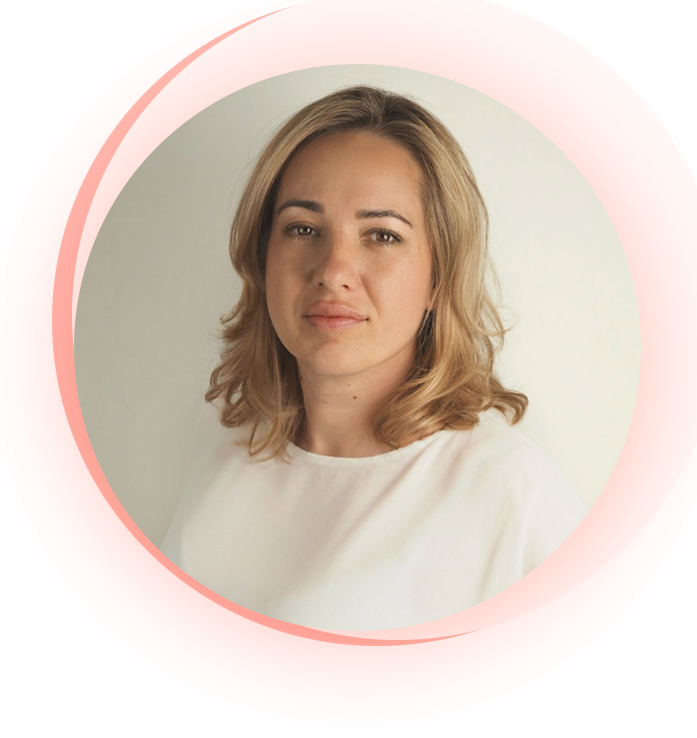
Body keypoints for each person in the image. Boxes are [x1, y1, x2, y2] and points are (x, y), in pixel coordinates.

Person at [161, 86, 586, 631]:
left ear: (439, 275)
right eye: (302, 229)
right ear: (262, 256)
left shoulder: (510, 490)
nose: (333, 270)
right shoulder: (225, 437)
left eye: (382, 235)